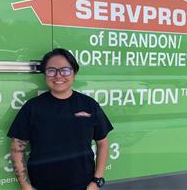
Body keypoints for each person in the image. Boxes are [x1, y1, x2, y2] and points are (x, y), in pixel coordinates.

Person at [7, 48, 114, 190]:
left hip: (83, 186)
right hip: (42, 186)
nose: (58, 76)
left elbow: (103, 143)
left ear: (74, 73)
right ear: (45, 74)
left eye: (65, 70)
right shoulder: (32, 108)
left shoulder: (89, 105)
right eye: (51, 71)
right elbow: (17, 148)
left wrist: (97, 180)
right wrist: (26, 187)